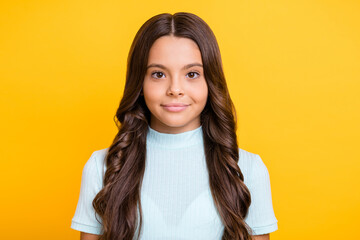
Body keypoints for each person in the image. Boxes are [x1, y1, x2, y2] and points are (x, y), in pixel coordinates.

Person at [70, 12, 278, 240]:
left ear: (210, 81)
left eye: (192, 74)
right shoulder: (102, 167)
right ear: (140, 82)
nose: (175, 89)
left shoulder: (247, 169)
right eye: (158, 74)